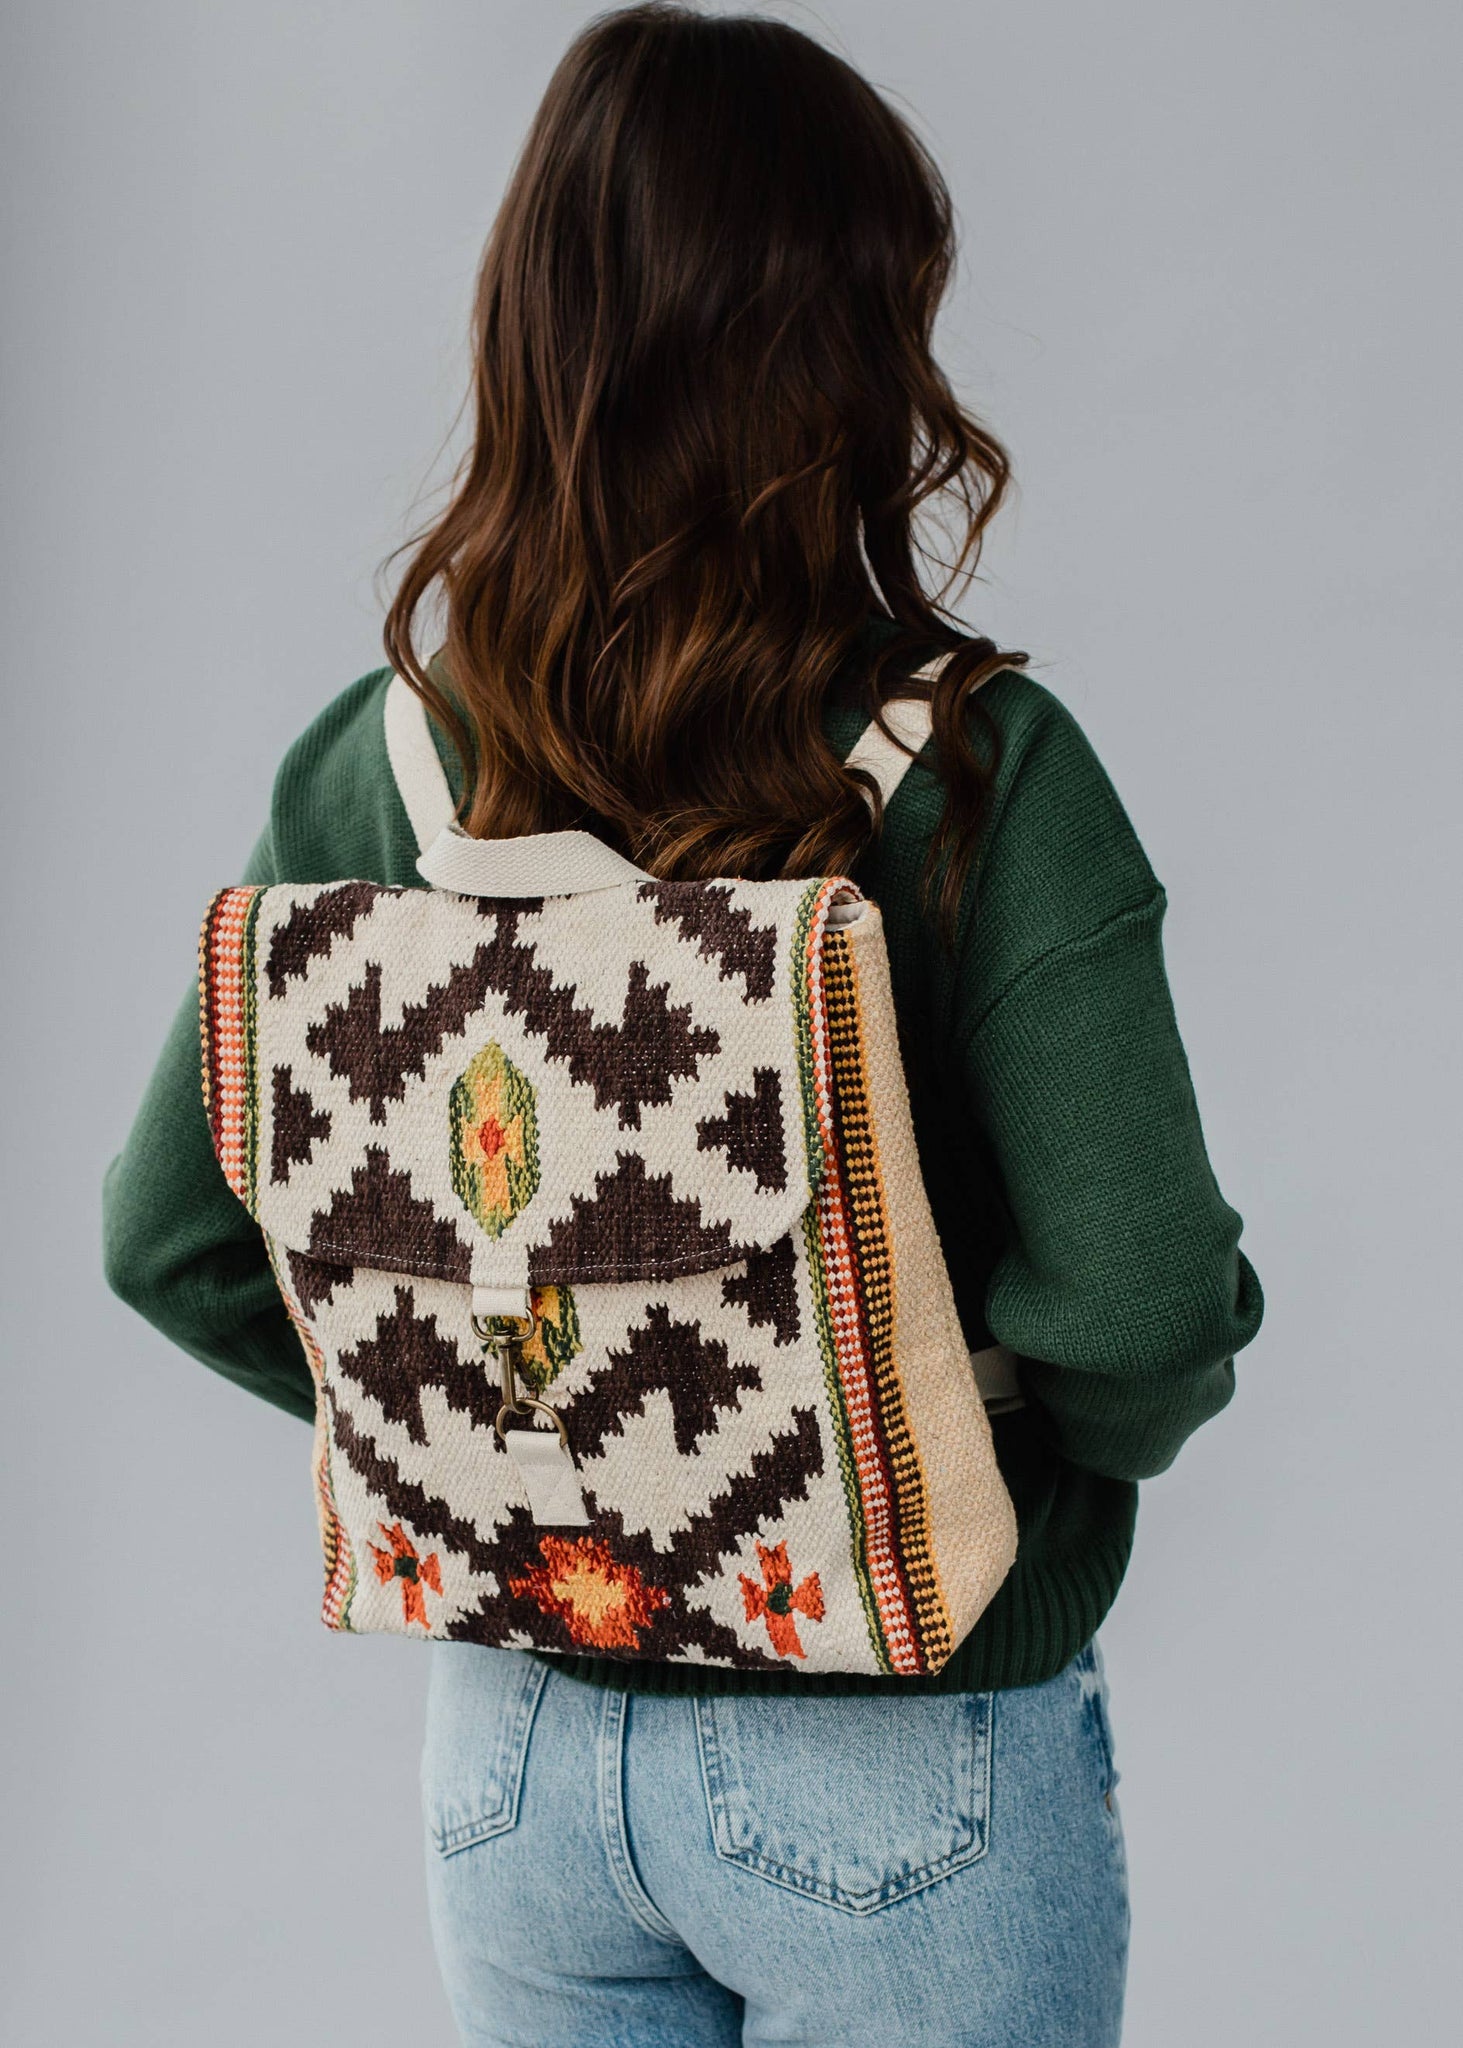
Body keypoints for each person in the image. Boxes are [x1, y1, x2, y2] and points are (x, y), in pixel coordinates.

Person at [102, 7, 1264, 2043]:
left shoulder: (382, 766)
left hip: (518, 1750)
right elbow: (1146, 1304)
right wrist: (970, 1478)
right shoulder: (972, 772)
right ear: (846, 358)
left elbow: (168, 1239)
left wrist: (512, 1455)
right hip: (906, 1741)